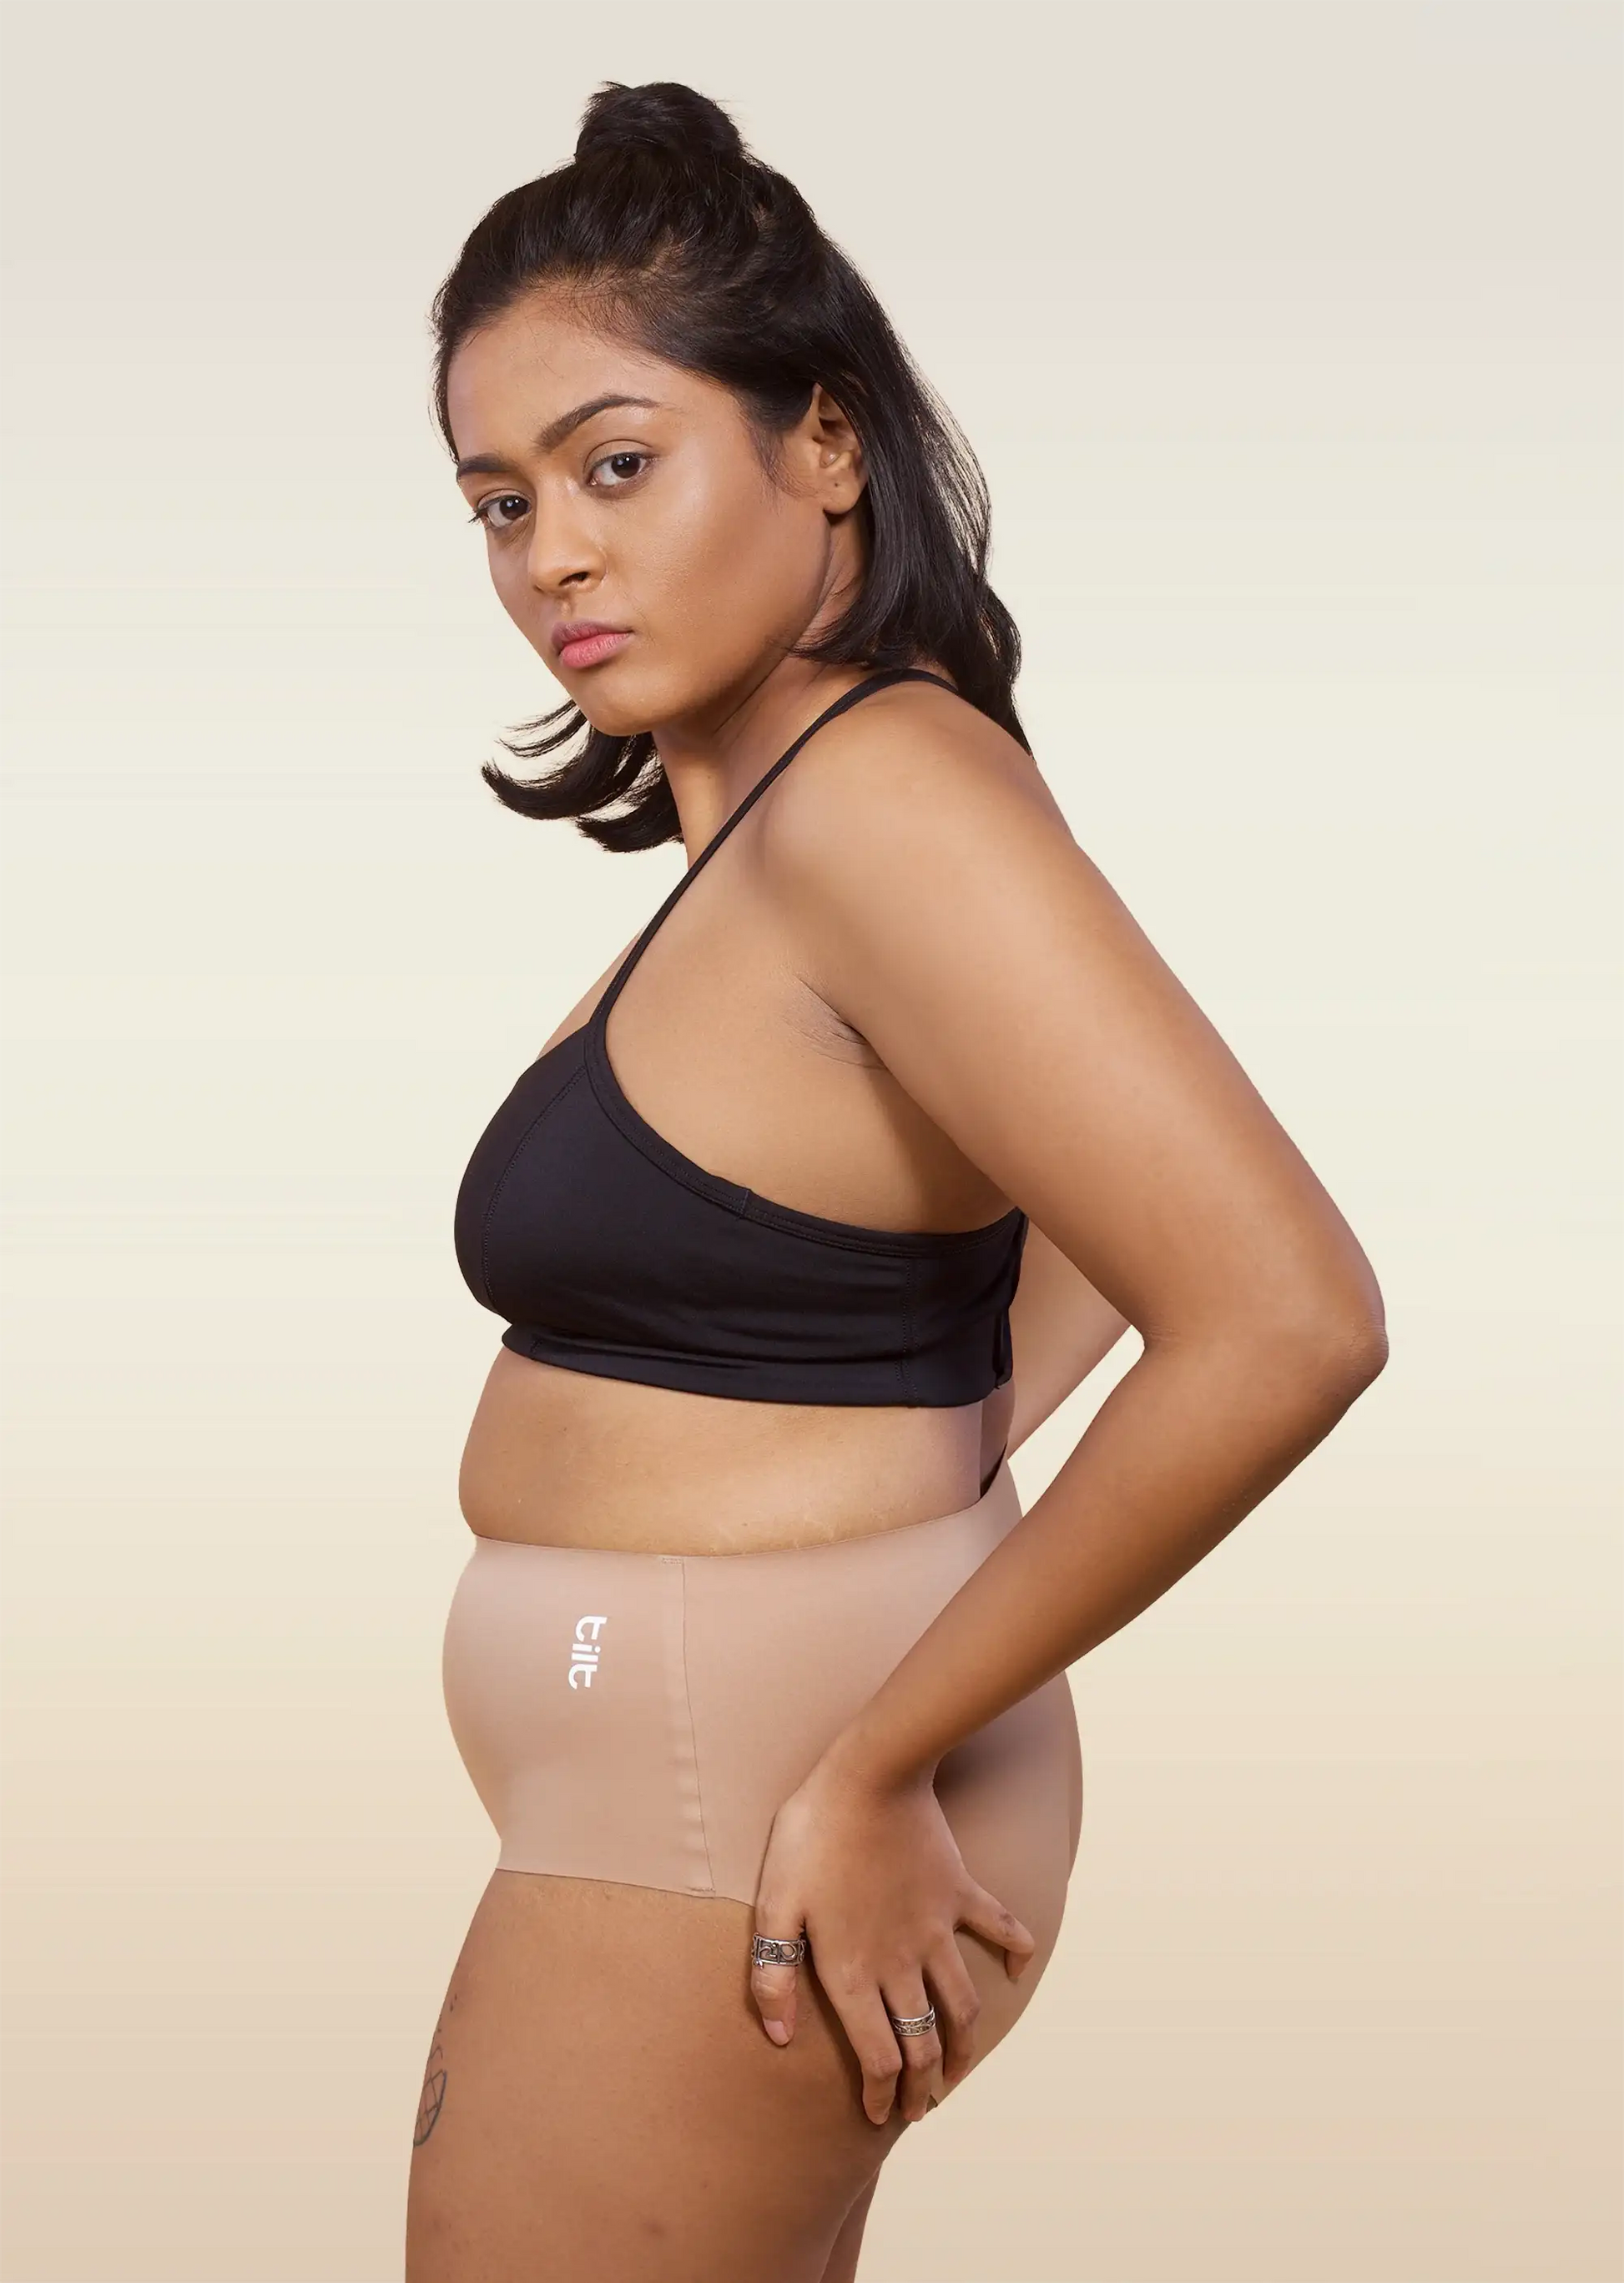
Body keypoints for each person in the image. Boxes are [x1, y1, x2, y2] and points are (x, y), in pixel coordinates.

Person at [404, 78, 1387, 2283]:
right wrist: (904, 1490)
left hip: (749, 1802)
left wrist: (865, 1752)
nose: (549, 553)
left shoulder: (885, 799)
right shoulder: (797, 825)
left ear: (824, 443)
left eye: (616, 462)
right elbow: (1050, 1241)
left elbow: (1284, 1309)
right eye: (494, 501)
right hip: (696, 1775)